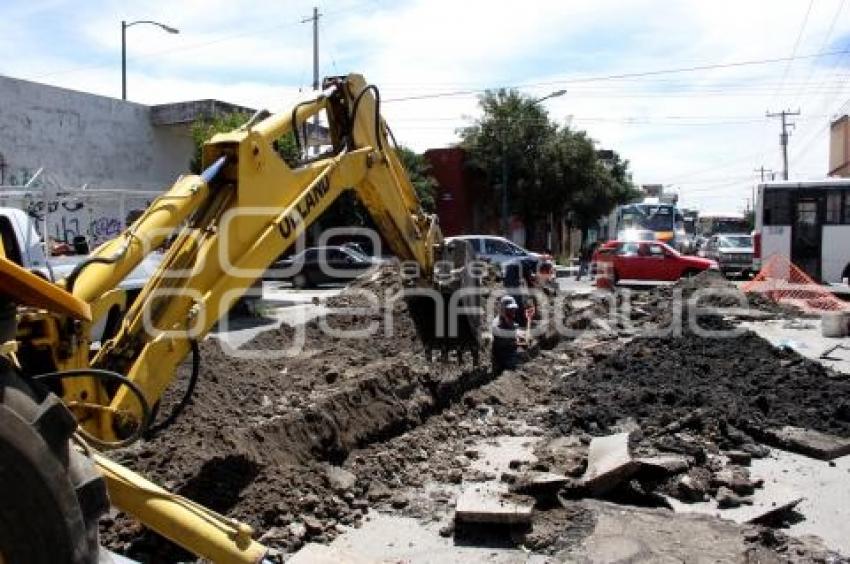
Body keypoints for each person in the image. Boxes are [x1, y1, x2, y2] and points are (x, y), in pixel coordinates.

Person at [491, 295, 520, 374]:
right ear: (503, 310)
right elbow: (504, 343)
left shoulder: (509, 320)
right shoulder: (496, 325)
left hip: (510, 354)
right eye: (510, 310)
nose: (513, 312)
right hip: (502, 359)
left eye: (513, 309)